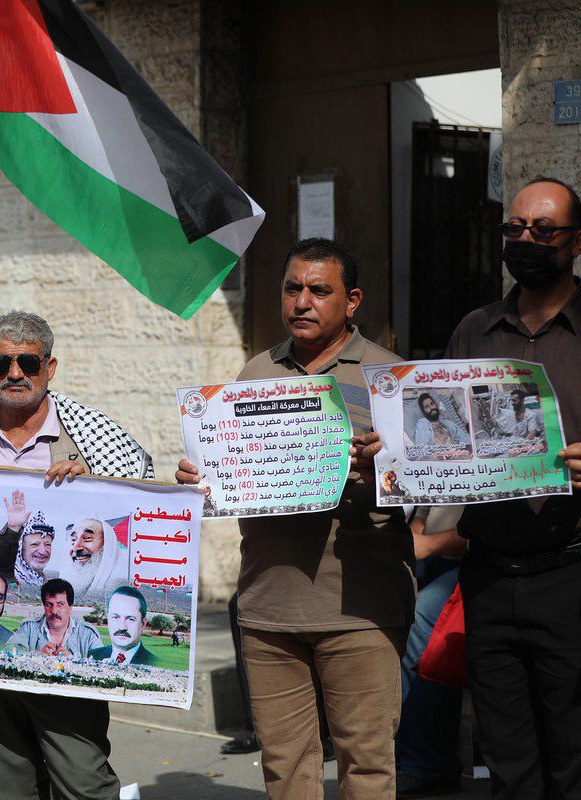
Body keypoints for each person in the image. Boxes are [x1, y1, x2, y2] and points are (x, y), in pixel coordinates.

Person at [178, 238, 415, 799]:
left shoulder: (389, 376)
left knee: (367, 768)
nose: (302, 302)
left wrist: (383, 469)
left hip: (359, 609)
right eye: (292, 288)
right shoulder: (256, 371)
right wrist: (202, 478)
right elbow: (235, 474)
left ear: (351, 300)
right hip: (268, 607)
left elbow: (426, 491)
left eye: (319, 290)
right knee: (286, 771)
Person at [445, 177, 581, 799]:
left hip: (579, 577)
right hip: (491, 576)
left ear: (577, 241)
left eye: (542, 231)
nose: (525, 240)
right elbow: (439, 440)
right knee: (505, 758)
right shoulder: (473, 332)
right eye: (514, 229)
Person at [0, 310, 152, 800]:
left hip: (66, 655)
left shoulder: (92, 435)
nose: (16, 373)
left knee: (83, 781)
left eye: (28, 361)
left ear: (50, 367)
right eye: (2, 364)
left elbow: (143, 492)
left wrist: (92, 482)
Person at [395, 507, 465, 798]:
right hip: (432, 556)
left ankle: (428, 765)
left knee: (421, 620)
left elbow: (492, 526)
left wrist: (427, 545)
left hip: (477, 560)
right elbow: (424, 511)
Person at [7, 578, 102, 657]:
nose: (54, 611)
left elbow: (103, 666)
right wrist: (36, 656)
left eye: (60, 604)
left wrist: (73, 661)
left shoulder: (89, 634)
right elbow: (6, 654)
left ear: (70, 606)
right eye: (49, 604)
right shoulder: (28, 628)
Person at [0, 491, 56, 589]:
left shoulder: (42, 582)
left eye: (47, 544)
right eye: (35, 544)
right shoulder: (9, 576)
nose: (43, 551)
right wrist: (12, 530)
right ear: (21, 548)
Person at [59, 515, 127, 602]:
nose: (76, 547)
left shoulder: (116, 590)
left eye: (87, 538)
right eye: (73, 539)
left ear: (107, 546)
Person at [88, 586, 158, 666]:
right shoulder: (89, 656)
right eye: (115, 617)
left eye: (130, 619)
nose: (122, 627)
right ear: (108, 620)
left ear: (143, 624)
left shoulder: (154, 664)